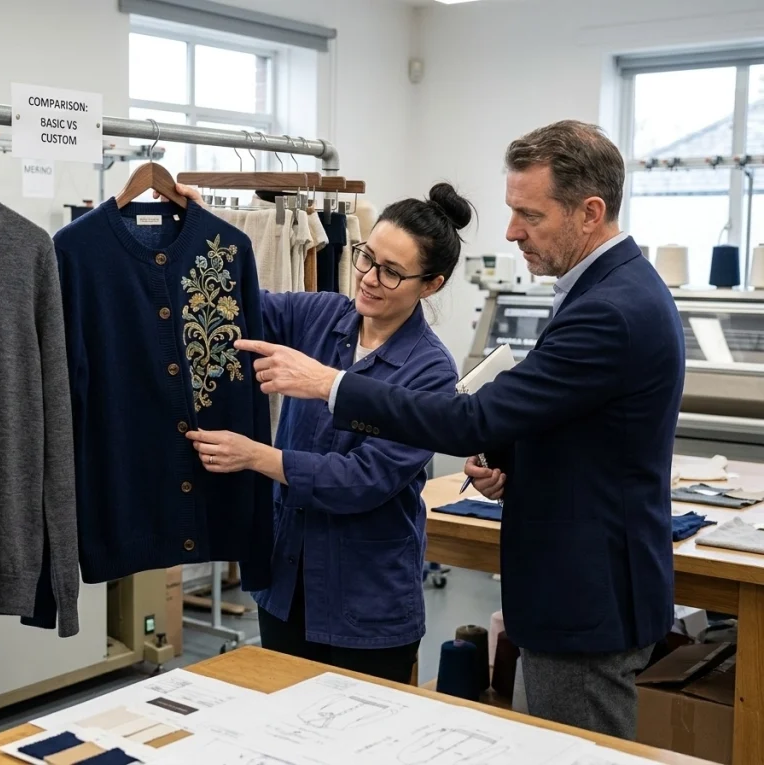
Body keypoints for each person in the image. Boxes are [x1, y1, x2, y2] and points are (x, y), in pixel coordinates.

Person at [236, 120, 684, 739]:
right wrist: (513, 461)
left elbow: (469, 418)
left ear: (590, 212)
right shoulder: (600, 292)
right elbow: (574, 426)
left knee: (570, 754)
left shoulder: (609, 309)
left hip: (585, 597)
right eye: (368, 260)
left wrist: (326, 385)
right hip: (570, 588)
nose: (511, 231)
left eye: (529, 214)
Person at [170, 181, 473, 684]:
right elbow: (238, 304)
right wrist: (202, 230)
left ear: (432, 284)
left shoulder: (429, 371)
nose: (370, 279)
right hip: (287, 583)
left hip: (367, 603)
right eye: (366, 257)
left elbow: (362, 480)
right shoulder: (323, 316)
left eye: (392, 272)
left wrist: (256, 456)